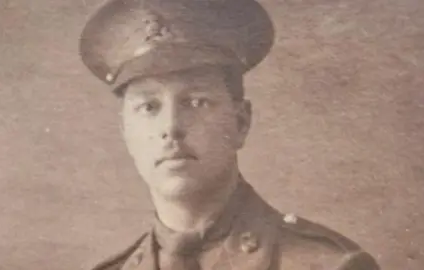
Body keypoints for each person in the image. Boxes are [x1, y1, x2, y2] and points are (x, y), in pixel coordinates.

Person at [79, 0, 381, 269]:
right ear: (125, 132)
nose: (170, 127)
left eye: (196, 102)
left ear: (240, 123)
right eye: (148, 107)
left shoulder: (329, 265)